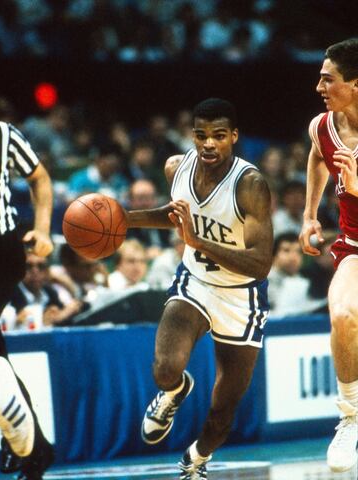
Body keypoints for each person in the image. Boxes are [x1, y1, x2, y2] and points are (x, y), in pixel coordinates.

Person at [123, 98, 273, 478]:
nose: (209, 144)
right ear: (192, 136)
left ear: (234, 137)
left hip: (242, 296)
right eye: (202, 136)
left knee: (223, 410)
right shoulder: (177, 167)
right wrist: (122, 219)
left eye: (219, 136)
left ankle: (197, 459)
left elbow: (260, 263)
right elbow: (172, 213)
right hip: (195, 282)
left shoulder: (250, 185)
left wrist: (199, 240)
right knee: (164, 368)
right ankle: (174, 391)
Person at [299, 38, 358, 473]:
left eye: (328, 78)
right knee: (343, 316)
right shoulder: (322, 126)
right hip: (354, 246)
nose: (320, 85)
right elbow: (318, 157)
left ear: (355, 85)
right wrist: (309, 215)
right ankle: (351, 418)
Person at [0, 121, 55, 478]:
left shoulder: (3, 134)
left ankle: (25, 443)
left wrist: (45, 229)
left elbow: (41, 179)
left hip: (2, 251)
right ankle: (35, 448)